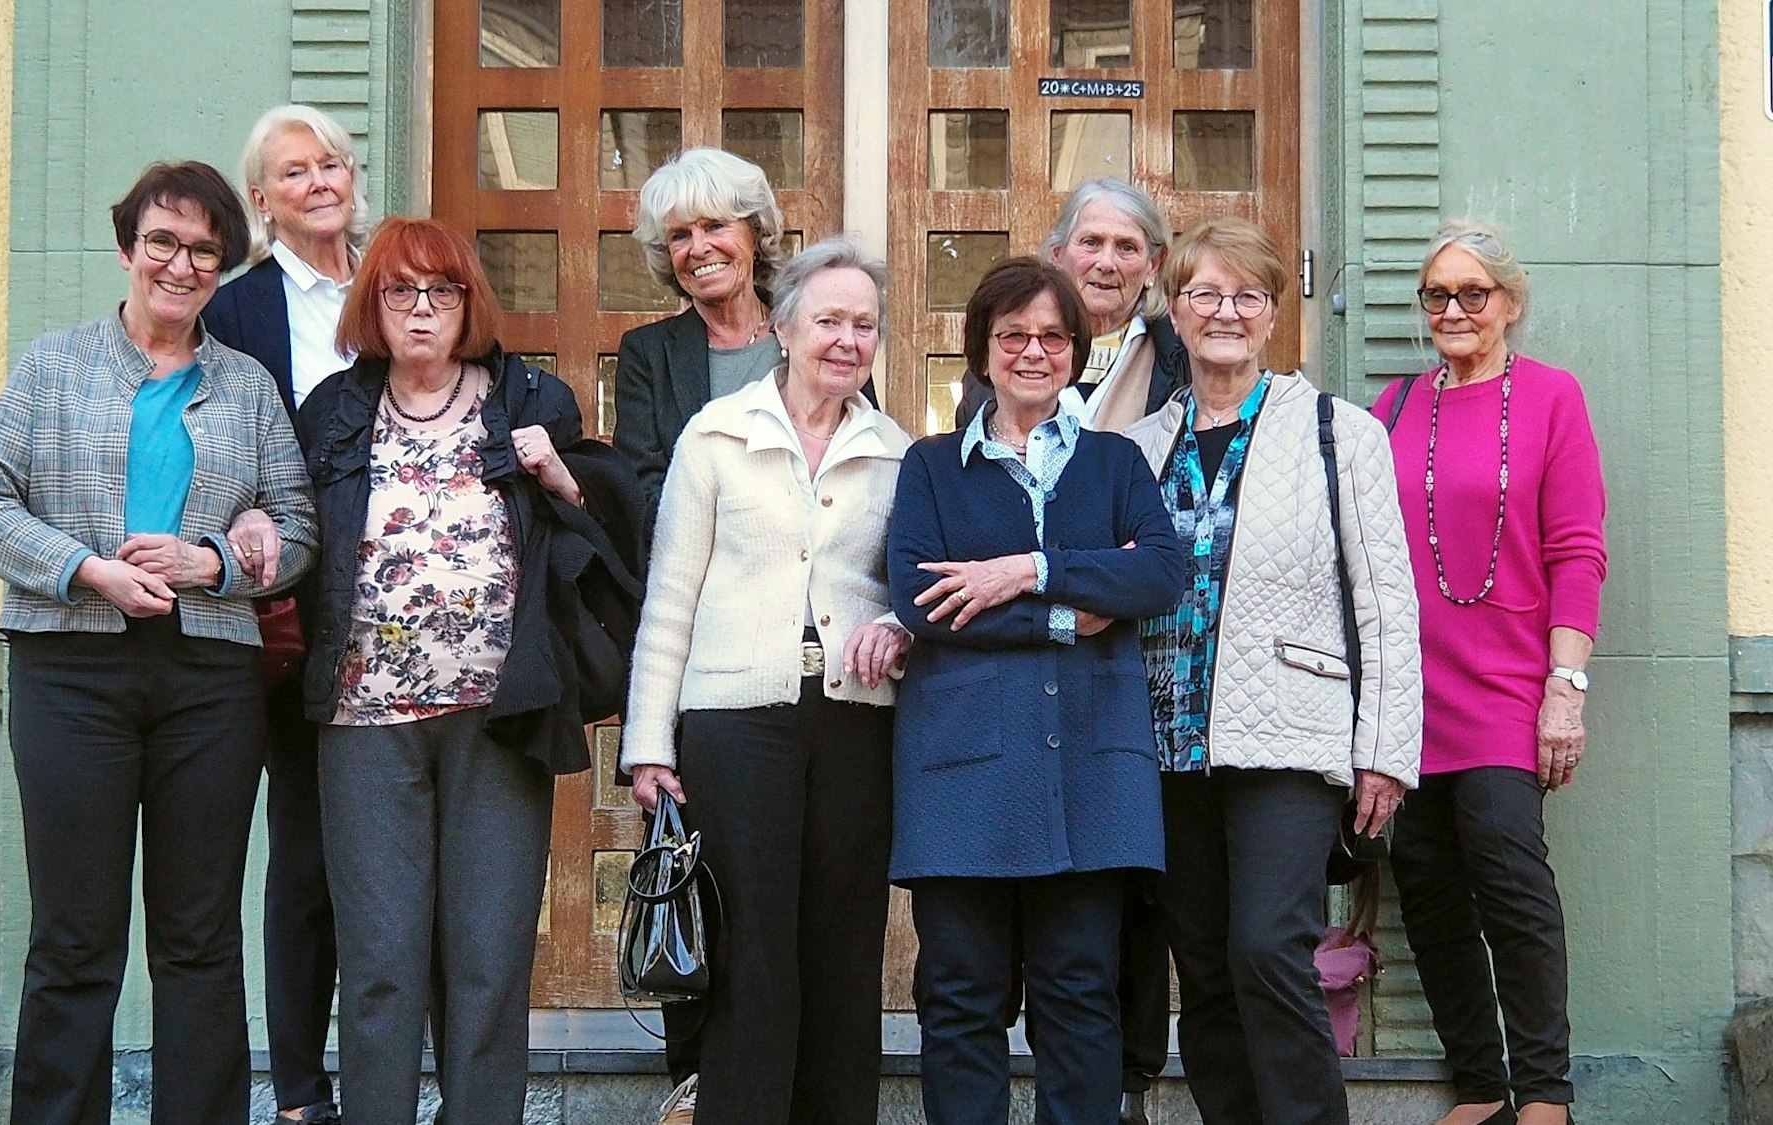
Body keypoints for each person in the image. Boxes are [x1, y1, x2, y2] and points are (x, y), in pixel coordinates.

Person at [0, 160, 316, 1125]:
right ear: (128, 248)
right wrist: (87, 568)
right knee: (75, 935)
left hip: (210, 674)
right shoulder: (52, 365)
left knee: (198, 936)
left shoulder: (245, 387)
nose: (182, 263)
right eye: (164, 241)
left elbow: (297, 525)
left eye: (205, 250)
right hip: (69, 667)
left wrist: (214, 564)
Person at [295, 216, 643, 1125]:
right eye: (398, 291)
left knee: (488, 958)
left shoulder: (529, 399)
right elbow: (300, 537)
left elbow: (602, 528)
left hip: (502, 710)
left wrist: (561, 477)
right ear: (372, 306)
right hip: (363, 716)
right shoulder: (334, 409)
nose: (420, 310)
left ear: (467, 305)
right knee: (379, 959)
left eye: (440, 291)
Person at [1121, 216, 1423, 1125]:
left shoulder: (1339, 433)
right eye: (1205, 293)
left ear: (1272, 313)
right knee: (1205, 970)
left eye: (1246, 295)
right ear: (1174, 310)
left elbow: (1386, 604)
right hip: (1164, 743)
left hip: (1291, 736)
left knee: (1266, 949)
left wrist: (1385, 752)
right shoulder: (1141, 446)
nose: (1225, 312)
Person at [618, 238, 912, 1125]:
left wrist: (899, 628)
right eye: (828, 319)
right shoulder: (716, 436)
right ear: (783, 327)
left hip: (856, 725)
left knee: (842, 951)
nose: (846, 339)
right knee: (747, 955)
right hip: (734, 724)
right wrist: (647, 745)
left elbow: (916, 588)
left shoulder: (897, 450)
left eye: (864, 324)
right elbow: (669, 595)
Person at [887, 255, 1186, 1125]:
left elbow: (1160, 573)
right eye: (1012, 335)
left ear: (1076, 352)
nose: (1032, 352)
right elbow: (923, 599)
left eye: (1052, 337)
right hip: (962, 777)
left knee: (1081, 996)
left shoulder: (1116, 463)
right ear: (981, 350)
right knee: (959, 998)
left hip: (1093, 772)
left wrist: (1027, 570)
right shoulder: (932, 467)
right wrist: (1070, 610)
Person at [1375, 221, 1606, 1125]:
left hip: (1512, 684)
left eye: (1474, 293)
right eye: (1438, 294)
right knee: (1427, 885)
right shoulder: (1392, 406)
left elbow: (1579, 550)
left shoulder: (1551, 398)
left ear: (1509, 303)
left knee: (1510, 879)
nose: (1455, 310)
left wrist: (1566, 686)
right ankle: (1480, 1085)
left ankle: (1545, 1090)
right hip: (1409, 692)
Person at [202, 102, 367, 1125]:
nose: (318, 181)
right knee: (306, 854)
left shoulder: (405, 275)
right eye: (293, 172)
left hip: (417, 599)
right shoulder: (235, 310)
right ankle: (303, 1093)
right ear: (261, 200)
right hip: (292, 614)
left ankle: (409, 1074)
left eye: (331, 164)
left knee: (407, 858)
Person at [614, 146, 789, 526]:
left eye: (714, 226)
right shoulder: (647, 354)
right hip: (698, 568)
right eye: (680, 235)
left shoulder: (811, 331)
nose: (698, 248)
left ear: (755, 234)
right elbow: (640, 490)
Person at [955, 176, 1189, 435]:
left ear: (1153, 266)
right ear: (1057, 254)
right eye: (1091, 243)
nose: (1106, 263)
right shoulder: (1002, 357)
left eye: (1127, 247)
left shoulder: (1181, 358)